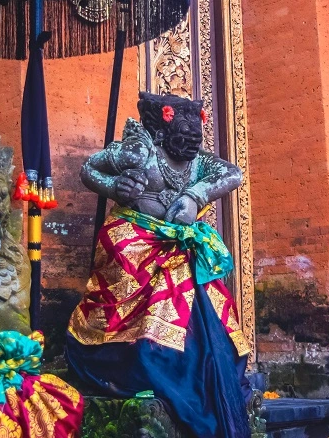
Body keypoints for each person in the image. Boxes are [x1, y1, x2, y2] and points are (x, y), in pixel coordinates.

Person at [66, 92, 252, 438]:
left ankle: (204, 373)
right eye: (184, 133)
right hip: (136, 242)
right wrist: (114, 186)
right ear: (160, 132)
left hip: (180, 246)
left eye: (196, 135)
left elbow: (233, 173)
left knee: (205, 307)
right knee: (147, 304)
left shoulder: (199, 162)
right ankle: (142, 358)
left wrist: (195, 195)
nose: (192, 142)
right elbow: (88, 168)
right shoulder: (139, 151)